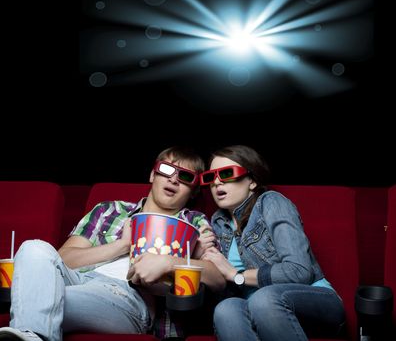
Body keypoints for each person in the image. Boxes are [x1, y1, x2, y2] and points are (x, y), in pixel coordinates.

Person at [0, 146, 224, 341]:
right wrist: (123, 245)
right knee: (33, 247)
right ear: (152, 175)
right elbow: (64, 259)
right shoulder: (110, 211)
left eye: (185, 177)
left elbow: (218, 279)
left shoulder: (194, 223)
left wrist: (169, 262)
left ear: (193, 191)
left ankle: (31, 325)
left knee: (38, 297)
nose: (173, 179)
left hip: (126, 297)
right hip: (76, 280)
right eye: (166, 170)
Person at [200, 145, 345, 341]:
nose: (216, 183)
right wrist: (199, 253)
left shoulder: (271, 203)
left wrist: (237, 276)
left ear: (252, 180)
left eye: (226, 173)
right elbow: (224, 288)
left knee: (263, 299)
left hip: (316, 303)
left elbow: (299, 271)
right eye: (210, 177)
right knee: (226, 309)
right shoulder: (217, 222)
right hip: (258, 312)